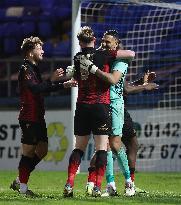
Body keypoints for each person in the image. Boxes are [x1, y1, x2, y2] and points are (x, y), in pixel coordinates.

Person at [63, 26, 135, 198]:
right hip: (100, 106)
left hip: (113, 105)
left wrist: (89, 68)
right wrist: (75, 72)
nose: (104, 43)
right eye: (102, 40)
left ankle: (128, 182)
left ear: (116, 44)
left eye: (107, 41)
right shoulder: (101, 56)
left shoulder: (115, 59)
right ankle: (106, 184)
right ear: (95, 40)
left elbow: (115, 81)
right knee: (105, 147)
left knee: (115, 144)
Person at [10, 36, 77, 197]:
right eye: (40, 48)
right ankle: (23, 189)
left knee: (42, 150)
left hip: (38, 117)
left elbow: (43, 88)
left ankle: (20, 180)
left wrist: (62, 84)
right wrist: (52, 79)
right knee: (28, 153)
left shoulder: (34, 68)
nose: (43, 51)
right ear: (30, 51)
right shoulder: (25, 68)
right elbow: (35, 89)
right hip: (28, 116)